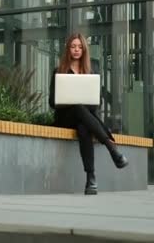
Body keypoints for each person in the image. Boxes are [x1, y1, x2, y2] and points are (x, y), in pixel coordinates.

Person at [49, 33, 128, 195]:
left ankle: (91, 180)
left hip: (84, 118)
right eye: (73, 46)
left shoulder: (91, 71)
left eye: (79, 47)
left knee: (84, 128)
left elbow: (96, 102)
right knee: (77, 107)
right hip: (64, 117)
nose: (76, 50)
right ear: (68, 49)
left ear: (84, 49)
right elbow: (51, 102)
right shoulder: (59, 71)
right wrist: (68, 100)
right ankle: (111, 148)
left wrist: (84, 103)